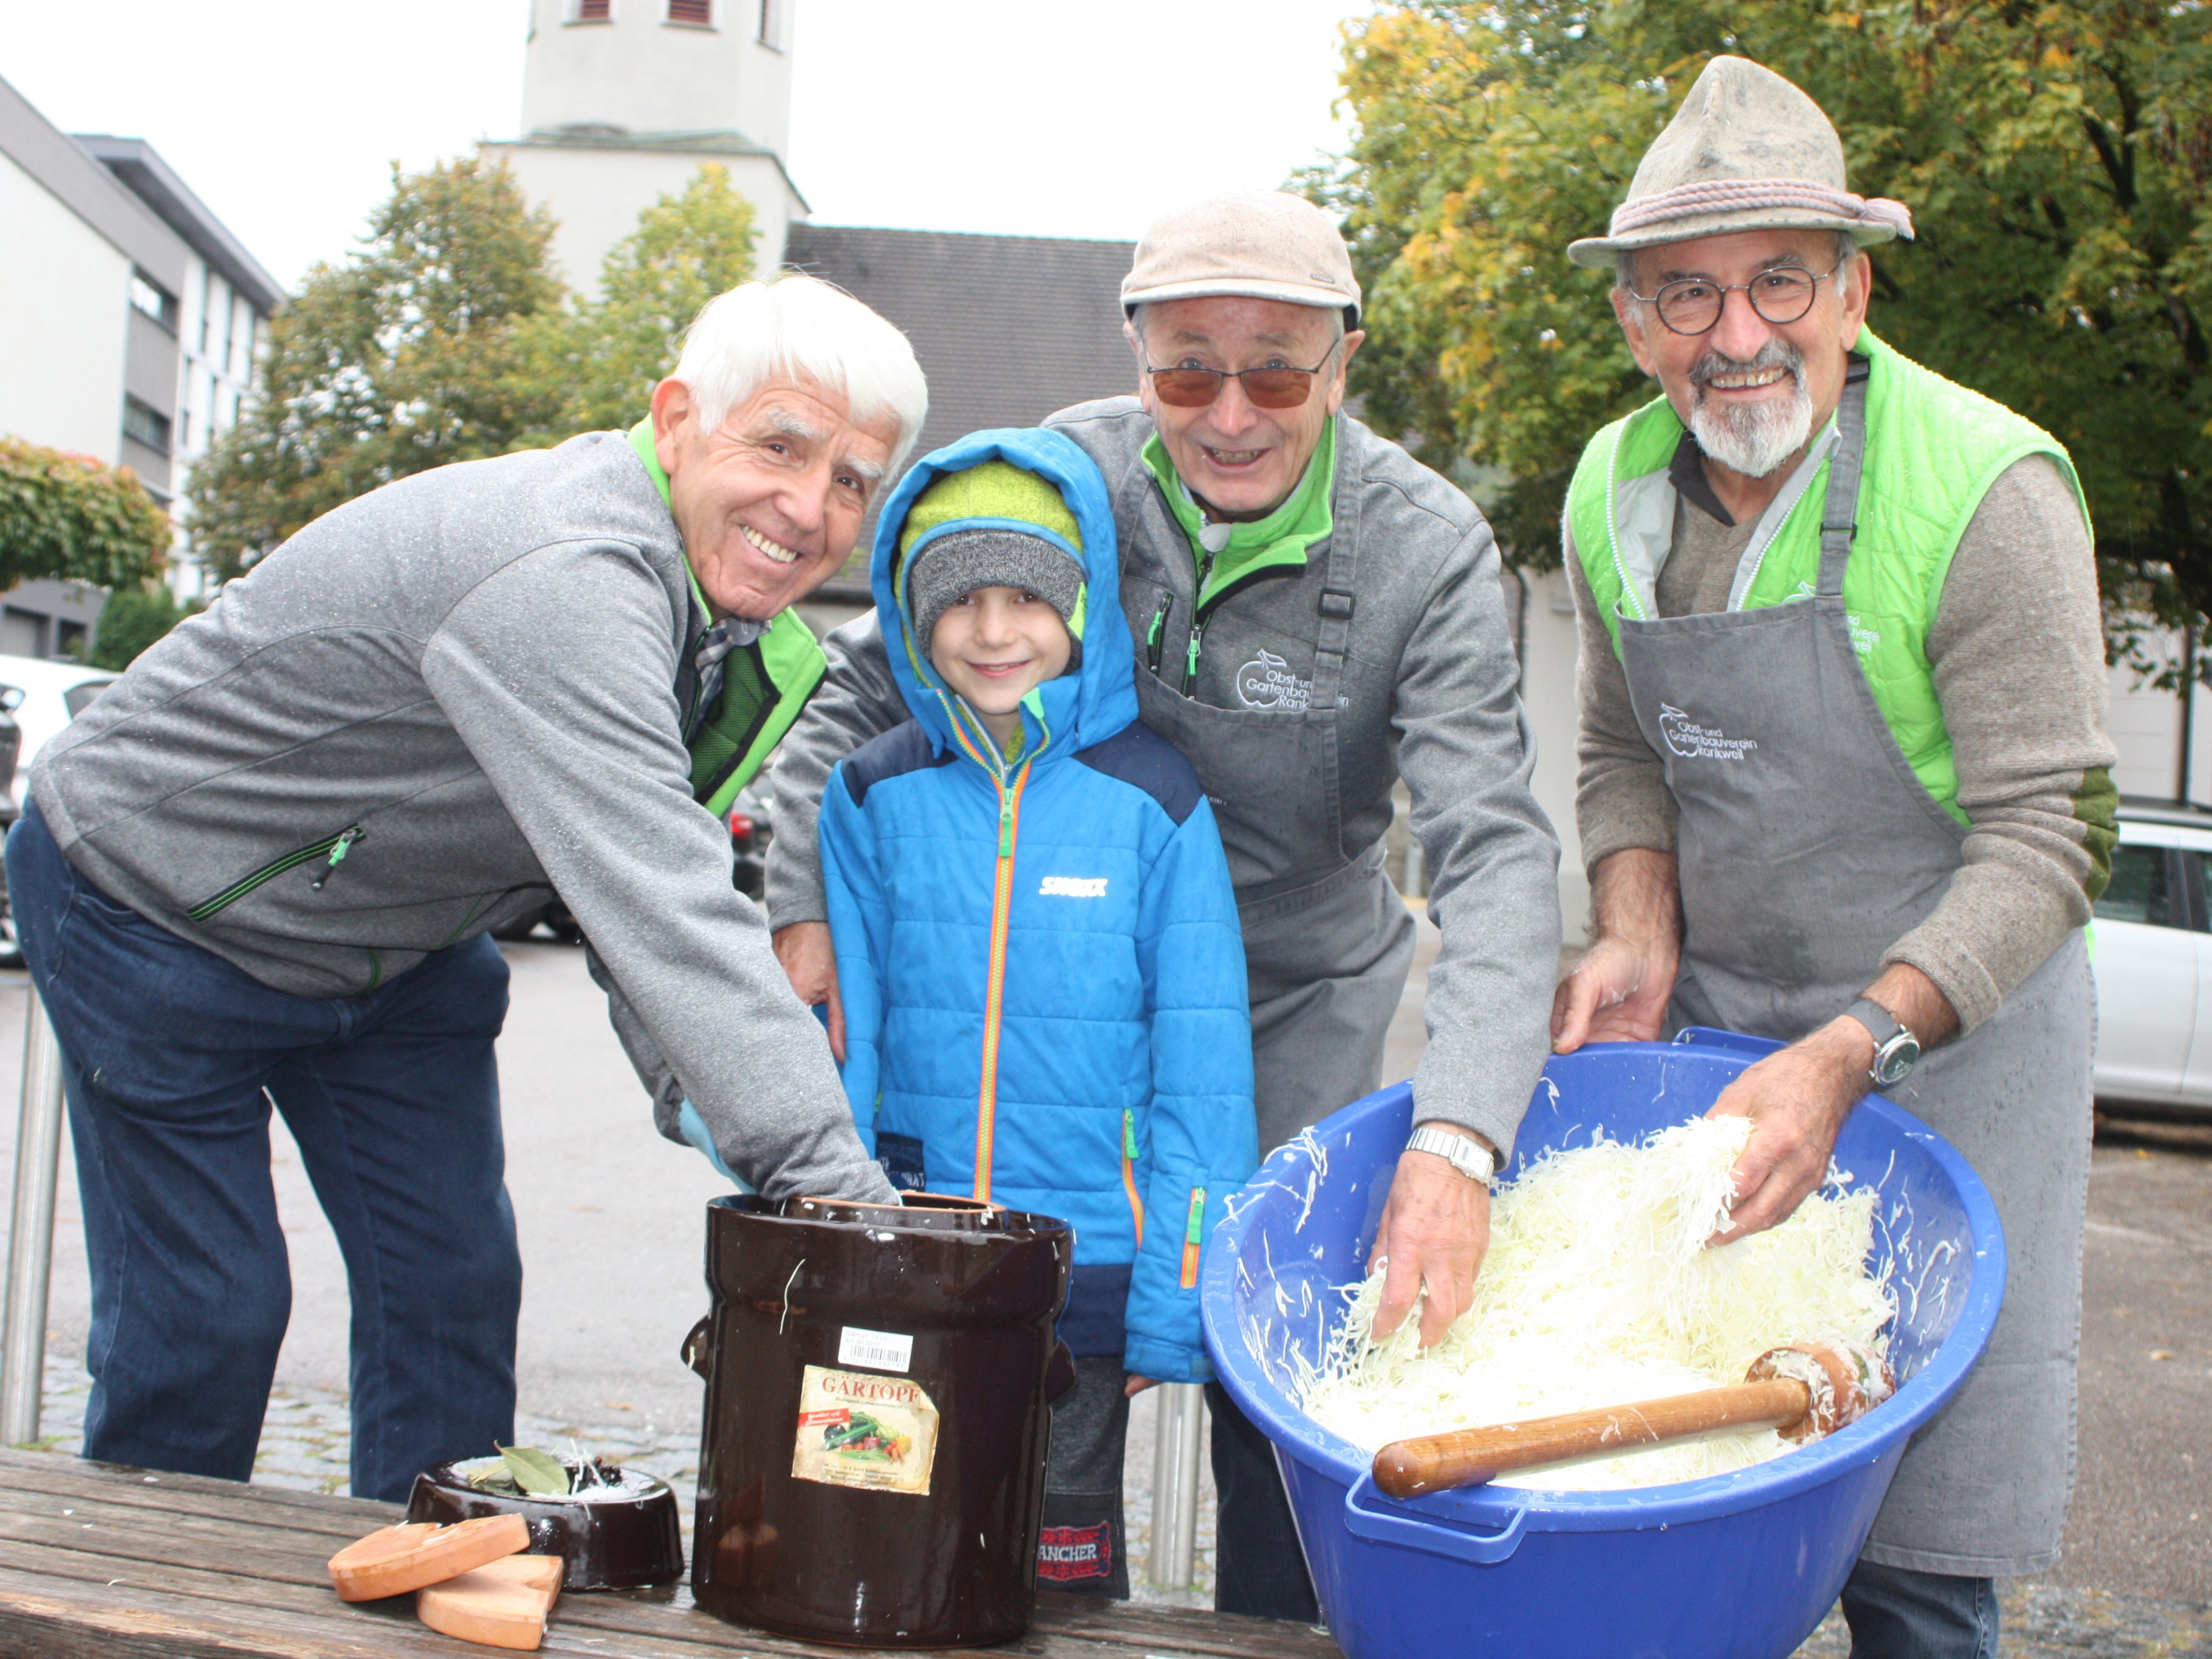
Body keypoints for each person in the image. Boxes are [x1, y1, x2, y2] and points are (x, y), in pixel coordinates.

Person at [766, 193, 1560, 1621]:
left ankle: (1273, 1625)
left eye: (1277, 368)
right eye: (1189, 367)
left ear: (1344, 362)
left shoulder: (1427, 548)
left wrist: (1463, 1128)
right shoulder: (1068, 474)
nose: (1232, 411)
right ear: (1139, 356)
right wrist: (795, 908)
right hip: (1070, 985)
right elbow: (861, 693)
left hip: (1296, 993)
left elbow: (1493, 846)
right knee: (1011, 1326)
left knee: (1283, 1334)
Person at [10, 274, 926, 1502]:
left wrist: (714, 1108)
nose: (808, 506)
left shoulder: (722, 626)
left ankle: (429, 1586)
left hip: (393, 951)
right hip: (152, 899)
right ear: (673, 422)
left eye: (852, 480)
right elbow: (667, 903)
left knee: (450, 1286)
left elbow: (628, 907)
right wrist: (842, 1199)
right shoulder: (567, 574)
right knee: (210, 1311)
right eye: (780, 444)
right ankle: (154, 1613)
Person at [1549, 57, 2117, 1659]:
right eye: (1685, 293)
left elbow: (2052, 831)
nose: (1736, 334)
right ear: (1634, 322)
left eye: (1779, 279)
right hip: (1728, 1047)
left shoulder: (1986, 488)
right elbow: (1621, 754)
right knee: (1680, 1455)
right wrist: (1635, 924)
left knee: (1917, 1543)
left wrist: (1853, 1044)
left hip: (1950, 1044)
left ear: (1854, 288)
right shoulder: (1608, 489)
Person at [815, 426, 1257, 1597]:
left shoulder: (1153, 800)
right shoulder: (871, 795)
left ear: (1084, 608)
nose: (995, 630)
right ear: (913, 617)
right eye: (960, 598)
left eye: (1027, 595)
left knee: (1062, 1581)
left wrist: (1172, 1305)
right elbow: (839, 1050)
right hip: (907, 1260)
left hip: (1087, 1277)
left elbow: (1203, 1072)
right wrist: (835, 1238)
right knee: (883, 1549)